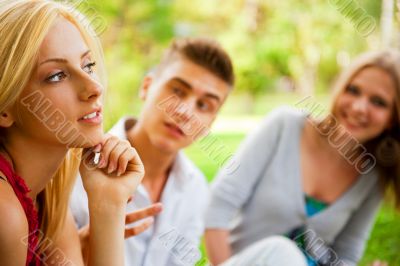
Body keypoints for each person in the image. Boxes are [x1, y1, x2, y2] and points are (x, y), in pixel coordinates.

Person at [204, 50, 400, 266]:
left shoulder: (371, 176)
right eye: (353, 90)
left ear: (393, 118)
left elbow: (346, 252)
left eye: (378, 102)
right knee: (281, 252)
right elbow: (219, 204)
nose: (359, 107)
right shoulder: (284, 126)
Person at [0, 1, 146, 265]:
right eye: (57, 76)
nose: (94, 87)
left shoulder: (48, 198)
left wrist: (108, 204)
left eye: (88, 66)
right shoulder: (5, 213)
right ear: (4, 109)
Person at [70, 37, 235, 265]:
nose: (186, 112)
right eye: (178, 90)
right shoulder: (77, 168)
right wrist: (74, 248)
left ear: (211, 122)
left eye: (204, 105)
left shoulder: (196, 188)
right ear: (146, 87)